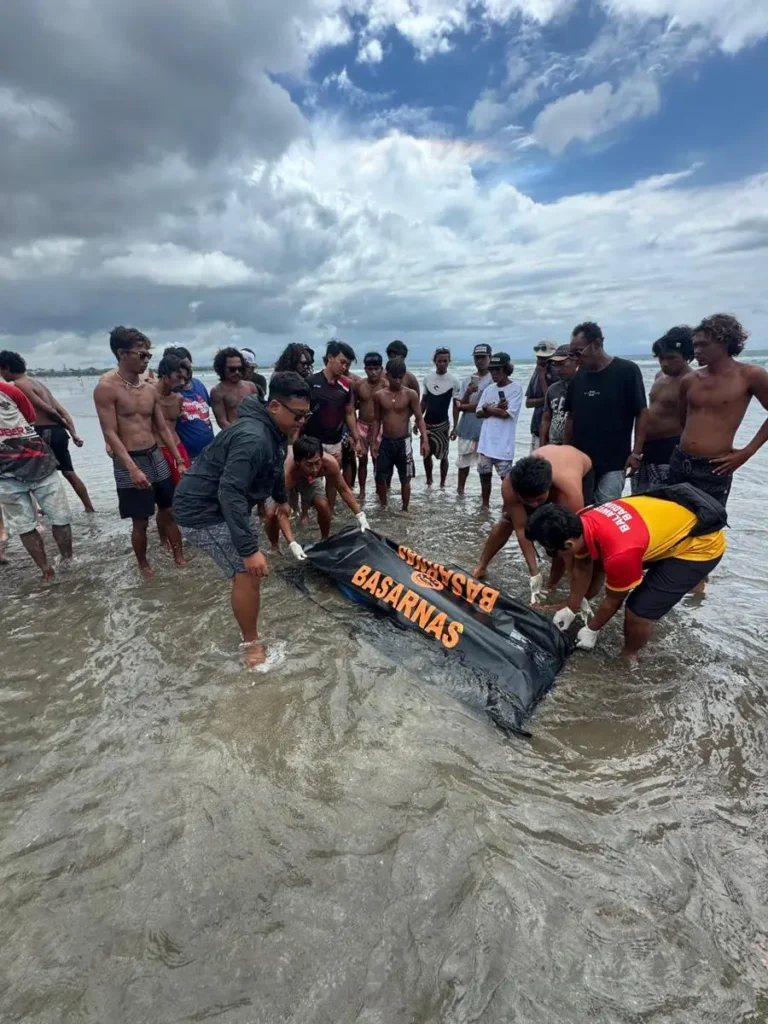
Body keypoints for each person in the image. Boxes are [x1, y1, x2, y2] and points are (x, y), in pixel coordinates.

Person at [173, 374, 311, 667]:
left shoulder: (274, 429)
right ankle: (251, 644)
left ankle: (248, 614)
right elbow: (230, 492)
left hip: (223, 503)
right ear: (274, 406)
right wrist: (248, 550)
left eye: (306, 415)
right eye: (298, 415)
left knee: (251, 569)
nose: (302, 421)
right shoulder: (253, 437)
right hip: (201, 511)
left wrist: (281, 499)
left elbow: (275, 464)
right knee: (247, 572)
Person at [525, 490, 726, 657]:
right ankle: (694, 585)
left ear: (568, 544)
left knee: (638, 610)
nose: (551, 556)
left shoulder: (620, 554)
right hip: (662, 529)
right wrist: (572, 606)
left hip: (699, 546)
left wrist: (592, 629)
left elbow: (614, 600)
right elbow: (583, 562)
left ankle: (629, 656)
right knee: (603, 565)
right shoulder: (583, 518)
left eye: (551, 551)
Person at [94, 327, 187, 577]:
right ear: (123, 354)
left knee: (169, 511)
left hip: (155, 454)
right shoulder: (106, 388)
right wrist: (132, 469)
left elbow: (162, 426)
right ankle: (144, 566)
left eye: (148, 355)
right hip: (129, 460)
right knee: (141, 520)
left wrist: (178, 459)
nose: (146, 359)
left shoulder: (149, 389)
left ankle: (179, 558)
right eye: (141, 354)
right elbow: (110, 433)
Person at [670, 314, 768, 507]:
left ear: (724, 343)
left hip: (715, 466)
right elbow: (684, 421)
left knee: (707, 525)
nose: (696, 351)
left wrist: (746, 452)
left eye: (703, 345)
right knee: (674, 523)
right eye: (695, 345)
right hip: (680, 460)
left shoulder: (749, 375)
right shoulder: (689, 380)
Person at [473, 446, 593, 597]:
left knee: (560, 536)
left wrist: (574, 589)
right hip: (542, 464)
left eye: (539, 500)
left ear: (548, 488)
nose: (535, 505)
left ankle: (552, 585)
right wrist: (534, 572)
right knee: (507, 520)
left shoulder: (569, 494)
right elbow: (521, 528)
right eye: (527, 501)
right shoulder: (509, 486)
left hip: (580, 466)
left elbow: (570, 543)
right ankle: (481, 567)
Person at [0, 350, 95, 512]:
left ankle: (50, 509)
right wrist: (72, 432)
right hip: (58, 432)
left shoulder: (19, 385)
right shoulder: (36, 382)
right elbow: (61, 409)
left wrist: (64, 425)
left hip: (43, 433)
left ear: (6, 368)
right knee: (69, 471)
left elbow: (50, 411)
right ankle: (89, 507)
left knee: (39, 475)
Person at [564, 321, 648, 504]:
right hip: (581, 462)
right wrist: (565, 451)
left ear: (596, 344)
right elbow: (570, 416)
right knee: (580, 514)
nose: (576, 359)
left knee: (605, 512)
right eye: (572, 354)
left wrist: (636, 453)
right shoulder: (578, 377)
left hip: (614, 462)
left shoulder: (627, 371)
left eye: (578, 352)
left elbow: (641, 412)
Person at [0, 378, 73, 579]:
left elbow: (30, 419)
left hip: (39, 463)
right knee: (24, 526)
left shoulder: (9, 391)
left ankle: (68, 561)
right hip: (5, 476)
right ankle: (46, 571)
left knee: (61, 517)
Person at [266, 435, 369, 548]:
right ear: (298, 462)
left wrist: (360, 515)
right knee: (271, 514)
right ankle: (274, 546)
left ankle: (324, 539)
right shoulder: (287, 473)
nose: (315, 469)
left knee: (323, 504)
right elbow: (280, 511)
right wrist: (292, 543)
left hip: (309, 480)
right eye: (309, 464)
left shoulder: (329, 463)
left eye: (317, 463)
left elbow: (343, 489)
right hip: (284, 481)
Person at [631, 327, 694, 495]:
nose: (665, 363)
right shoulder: (660, 375)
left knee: (662, 500)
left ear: (687, 356)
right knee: (640, 499)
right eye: (661, 358)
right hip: (647, 448)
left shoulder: (691, 381)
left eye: (672, 358)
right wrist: (637, 450)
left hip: (670, 449)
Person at [305, 340, 363, 508]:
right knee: (311, 479)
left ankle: (328, 511)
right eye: (342, 362)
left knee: (332, 479)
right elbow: (302, 412)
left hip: (335, 442)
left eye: (348, 364)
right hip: (313, 441)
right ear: (330, 358)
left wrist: (356, 438)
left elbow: (350, 412)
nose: (344, 367)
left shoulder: (346, 385)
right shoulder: (311, 382)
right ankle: (305, 513)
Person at [371, 358, 429, 512]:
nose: (397, 380)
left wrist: (425, 440)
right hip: (385, 441)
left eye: (400, 377)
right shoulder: (379, 395)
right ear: (387, 375)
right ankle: (383, 507)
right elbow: (376, 420)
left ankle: (405, 509)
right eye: (394, 377)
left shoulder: (410, 394)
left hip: (404, 442)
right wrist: (374, 442)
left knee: (406, 477)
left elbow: (419, 418)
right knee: (380, 477)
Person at [475, 352, 524, 509]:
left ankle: (507, 508)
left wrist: (488, 408)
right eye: (492, 370)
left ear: (506, 369)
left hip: (503, 444)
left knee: (506, 480)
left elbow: (506, 414)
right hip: (485, 443)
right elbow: (478, 412)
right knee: (484, 477)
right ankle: (485, 506)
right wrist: (491, 408)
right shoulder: (489, 389)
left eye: (498, 370)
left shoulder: (516, 389)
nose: (494, 373)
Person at [452, 343, 493, 496]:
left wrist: (465, 407)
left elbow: (486, 406)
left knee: (484, 466)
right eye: (477, 358)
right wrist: (468, 393)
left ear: (490, 358)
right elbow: (459, 404)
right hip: (467, 427)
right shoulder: (467, 380)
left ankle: (484, 499)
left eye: (483, 357)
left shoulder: (493, 380)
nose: (480, 361)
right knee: (463, 463)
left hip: (485, 428)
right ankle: (460, 492)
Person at [164, 346, 215, 459]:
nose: (186, 370)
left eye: (188, 366)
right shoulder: (170, 393)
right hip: (185, 456)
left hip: (209, 453)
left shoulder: (199, 384)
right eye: (181, 367)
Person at [421, 348, 461, 488]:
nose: (442, 364)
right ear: (435, 361)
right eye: (439, 361)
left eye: (445, 361)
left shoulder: (454, 381)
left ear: (449, 361)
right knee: (426, 454)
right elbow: (424, 401)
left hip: (443, 425)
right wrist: (417, 422)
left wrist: (456, 427)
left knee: (443, 456)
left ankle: (443, 483)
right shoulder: (428, 379)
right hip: (427, 424)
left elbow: (456, 406)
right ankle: (429, 481)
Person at [353, 352, 387, 502]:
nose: (373, 372)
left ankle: (381, 491)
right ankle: (362, 491)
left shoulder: (386, 385)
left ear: (381, 368)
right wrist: (353, 431)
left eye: (376, 368)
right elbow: (351, 409)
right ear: (365, 369)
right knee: (362, 461)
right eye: (370, 368)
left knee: (378, 461)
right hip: (362, 425)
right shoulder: (359, 385)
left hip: (379, 427)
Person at [154, 353, 192, 485]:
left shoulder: (178, 398)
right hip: (156, 450)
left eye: (184, 379)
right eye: (178, 377)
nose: (182, 382)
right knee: (163, 497)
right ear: (165, 375)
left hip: (177, 447)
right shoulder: (147, 395)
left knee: (187, 488)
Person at [210, 347, 259, 429]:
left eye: (240, 369)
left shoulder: (251, 387)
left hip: (255, 430)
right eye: (232, 369)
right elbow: (222, 421)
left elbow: (258, 412)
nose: (237, 372)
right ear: (222, 368)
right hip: (234, 433)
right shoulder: (218, 392)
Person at [539, 345, 577, 445]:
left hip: (576, 447)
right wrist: (542, 446)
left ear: (575, 361)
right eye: (555, 365)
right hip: (554, 445)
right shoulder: (552, 389)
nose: (557, 369)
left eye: (562, 364)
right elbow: (546, 419)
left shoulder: (584, 388)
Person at [525, 341, 558, 452]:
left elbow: (553, 402)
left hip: (553, 432)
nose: (541, 361)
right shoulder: (537, 372)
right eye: (539, 358)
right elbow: (528, 403)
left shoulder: (557, 373)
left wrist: (543, 379)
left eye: (545, 359)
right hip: (537, 428)